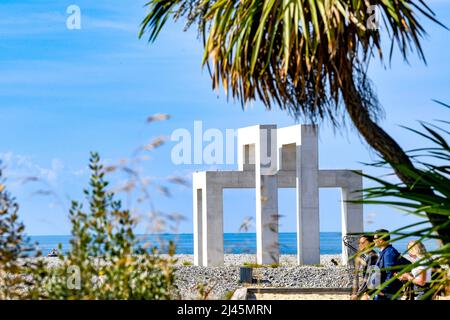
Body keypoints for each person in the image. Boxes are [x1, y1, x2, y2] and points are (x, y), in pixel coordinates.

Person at [373, 229, 404, 300]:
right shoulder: (385, 252)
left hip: (387, 294)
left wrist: (383, 290)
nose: (373, 240)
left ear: (381, 240)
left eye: (374, 238)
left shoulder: (388, 253)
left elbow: (390, 273)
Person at [351, 234, 378, 300]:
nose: (360, 245)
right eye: (359, 243)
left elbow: (368, 279)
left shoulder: (373, 257)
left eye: (363, 243)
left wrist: (358, 294)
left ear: (371, 244)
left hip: (370, 292)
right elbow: (358, 277)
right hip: (364, 291)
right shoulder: (363, 256)